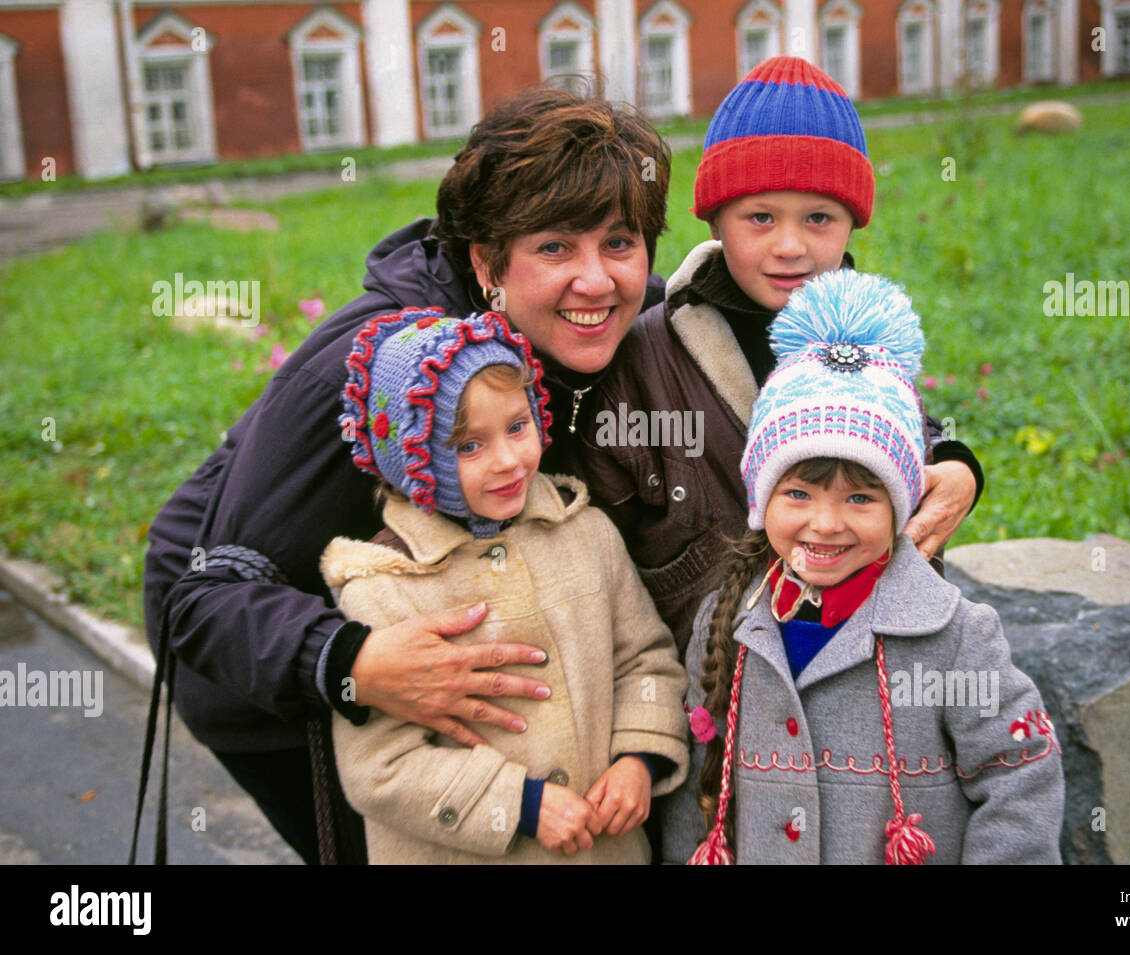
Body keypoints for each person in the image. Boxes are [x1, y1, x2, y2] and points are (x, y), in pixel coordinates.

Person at [141, 87, 673, 863]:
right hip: (267, 676)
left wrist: (921, 456)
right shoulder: (375, 373)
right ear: (486, 262)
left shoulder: (613, 314)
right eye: (555, 247)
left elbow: (757, 337)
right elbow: (204, 598)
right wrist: (351, 661)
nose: (597, 281)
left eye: (620, 243)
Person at [574, 56, 983, 652]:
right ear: (715, 218)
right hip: (711, 697)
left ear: (853, 223)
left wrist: (956, 461)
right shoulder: (643, 359)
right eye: (760, 216)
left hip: (871, 682)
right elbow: (607, 567)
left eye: (819, 217)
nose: (790, 246)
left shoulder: (862, 340)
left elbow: (910, 434)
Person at [661, 270, 1064, 864]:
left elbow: (1019, 773)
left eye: (860, 498)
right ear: (759, 499)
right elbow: (697, 786)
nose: (825, 523)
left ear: (902, 505)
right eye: (797, 494)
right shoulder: (723, 622)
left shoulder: (955, 637)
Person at [320, 307, 687, 863]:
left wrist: (640, 756)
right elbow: (379, 767)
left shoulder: (587, 535)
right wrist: (517, 804)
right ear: (411, 459)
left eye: (518, 427)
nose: (510, 460)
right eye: (469, 446)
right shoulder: (383, 590)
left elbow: (646, 661)